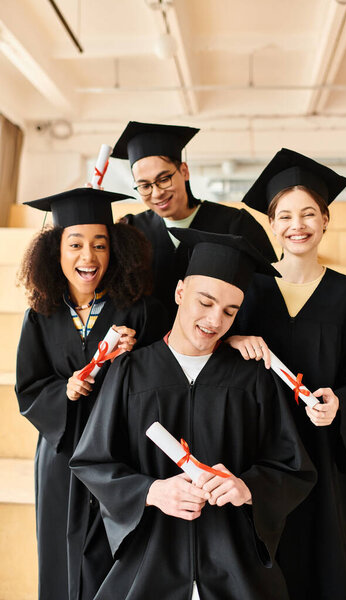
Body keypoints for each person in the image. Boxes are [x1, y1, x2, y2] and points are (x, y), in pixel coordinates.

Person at [70, 229, 316, 600]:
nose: (215, 320)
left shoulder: (251, 379)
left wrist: (246, 487)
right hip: (149, 563)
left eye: (230, 311)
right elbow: (92, 461)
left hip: (235, 566)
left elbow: (293, 468)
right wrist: (151, 491)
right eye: (205, 302)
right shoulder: (130, 372)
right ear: (180, 292)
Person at [227, 148, 346, 600]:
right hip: (257, 449)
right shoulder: (248, 291)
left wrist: (341, 401)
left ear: (325, 219)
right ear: (271, 224)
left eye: (308, 213)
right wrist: (233, 341)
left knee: (323, 560)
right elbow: (209, 352)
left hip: (319, 449)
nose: (296, 225)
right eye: (284, 215)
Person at [16, 188, 169, 600]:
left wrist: (135, 358)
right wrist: (63, 390)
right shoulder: (41, 314)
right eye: (76, 244)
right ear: (55, 251)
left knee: (113, 554)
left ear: (115, 251)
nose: (89, 257)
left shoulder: (137, 311)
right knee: (59, 553)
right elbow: (28, 387)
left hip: (119, 449)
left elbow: (161, 384)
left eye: (100, 245)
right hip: (61, 449)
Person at [111, 120, 277, 323]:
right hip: (150, 350)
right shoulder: (132, 231)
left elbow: (265, 292)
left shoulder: (236, 224)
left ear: (184, 171)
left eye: (164, 179)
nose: (157, 193)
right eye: (144, 186)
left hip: (222, 347)